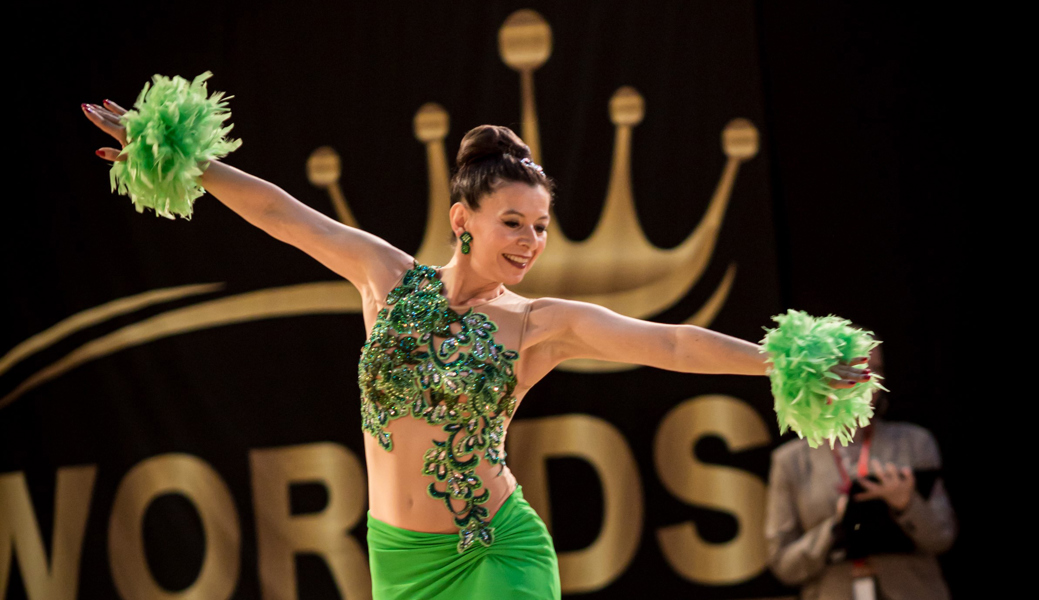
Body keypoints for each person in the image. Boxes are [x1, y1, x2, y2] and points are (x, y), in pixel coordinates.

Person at [82, 100, 871, 599]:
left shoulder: (536, 323)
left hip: (498, 552)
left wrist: (781, 361)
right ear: (463, 218)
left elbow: (668, 342)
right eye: (513, 224)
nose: (531, 243)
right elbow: (283, 214)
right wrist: (183, 157)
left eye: (540, 227)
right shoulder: (387, 278)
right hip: (397, 562)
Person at [765, 345, 956, 600]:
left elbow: (943, 538)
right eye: (854, 369)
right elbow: (784, 565)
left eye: (876, 369)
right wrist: (836, 525)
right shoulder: (791, 461)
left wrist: (907, 505)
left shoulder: (914, 442)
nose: (869, 379)